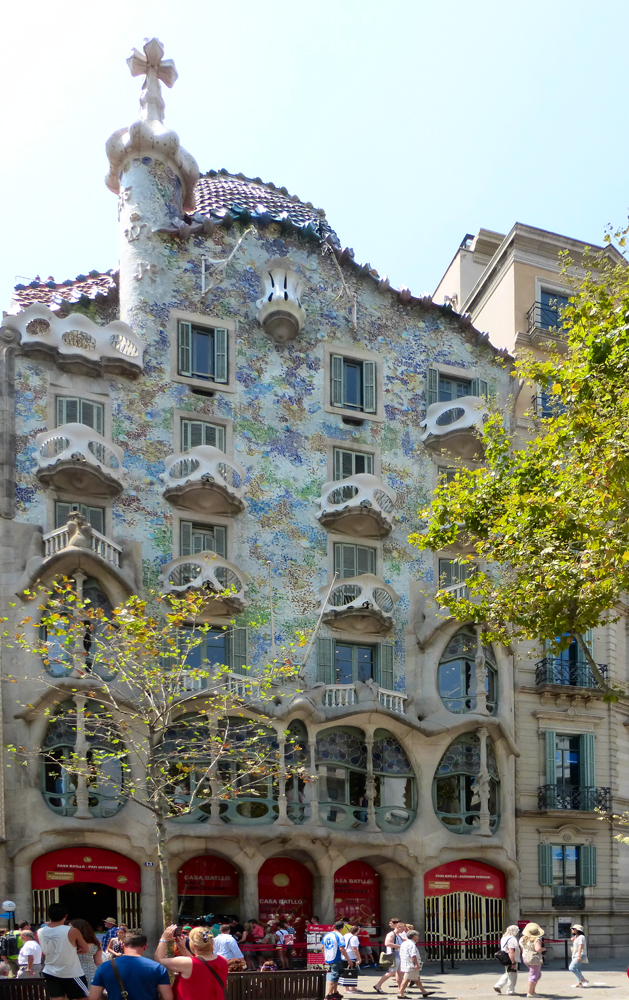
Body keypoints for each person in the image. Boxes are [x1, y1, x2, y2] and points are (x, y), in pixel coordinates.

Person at [88, 931, 172, 1000]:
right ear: (145, 947)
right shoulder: (157, 968)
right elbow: (167, 997)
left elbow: (93, 997)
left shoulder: (104, 967)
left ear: (122, 945)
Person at [155, 924, 227, 1000]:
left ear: (194, 946)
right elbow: (199, 964)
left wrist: (164, 939)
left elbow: (158, 961)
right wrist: (182, 947)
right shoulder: (223, 960)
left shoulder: (188, 963)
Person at [38, 901, 91, 1000]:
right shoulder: (72, 931)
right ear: (65, 916)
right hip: (71, 972)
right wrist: (73, 950)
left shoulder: (40, 931)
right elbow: (85, 949)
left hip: (50, 971)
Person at [398, 930, 433, 999]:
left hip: (406, 963)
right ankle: (400, 994)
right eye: (417, 936)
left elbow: (401, 954)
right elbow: (413, 955)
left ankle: (424, 992)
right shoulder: (411, 944)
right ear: (414, 937)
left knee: (416, 979)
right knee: (406, 979)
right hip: (411, 964)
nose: (418, 938)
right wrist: (416, 964)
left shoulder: (404, 943)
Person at [374, 919, 404, 995]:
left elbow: (405, 940)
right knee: (392, 972)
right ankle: (378, 985)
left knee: (400, 972)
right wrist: (401, 946)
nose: (403, 930)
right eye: (402, 928)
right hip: (394, 955)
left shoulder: (399, 935)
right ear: (397, 927)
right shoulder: (391, 934)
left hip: (399, 955)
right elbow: (387, 943)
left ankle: (400, 989)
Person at [321, 920, 349, 999]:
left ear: (334, 926)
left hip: (328, 958)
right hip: (336, 958)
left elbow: (322, 947)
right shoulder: (339, 936)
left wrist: (325, 957)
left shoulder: (327, 935)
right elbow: (342, 949)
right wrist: (348, 960)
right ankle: (329, 995)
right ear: (342, 928)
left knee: (336, 975)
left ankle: (335, 992)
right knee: (334, 976)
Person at [71, 920, 103, 986]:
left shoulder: (72, 944)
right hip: (91, 970)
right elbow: (98, 962)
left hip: (74, 969)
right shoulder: (96, 944)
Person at [494, 925, 521, 996]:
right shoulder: (512, 939)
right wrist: (513, 962)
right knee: (513, 974)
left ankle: (498, 985)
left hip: (505, 957)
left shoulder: (504, 937)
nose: (518, 932)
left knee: (508, 973)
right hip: (511, 958)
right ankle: (510, 990)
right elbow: (511, 950)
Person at [520, 923, 544, 997]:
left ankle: (532, 990)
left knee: (538, 974)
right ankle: (531, 993)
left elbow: (522, 948)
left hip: (526, 957)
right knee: (533, 975)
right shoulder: (537, 939)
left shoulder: (523, 939)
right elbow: (538, 949)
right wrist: (544, 949)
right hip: (534, 959)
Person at [341, 927, 361, 994]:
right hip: (351, 956)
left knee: (348, 972)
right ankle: (347, 989)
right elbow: (354, 949)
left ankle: (352, 987)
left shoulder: (345, 935)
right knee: (350, 972)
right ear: (357, 931)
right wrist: (359, 958)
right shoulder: (354, 937)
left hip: (344, 956)